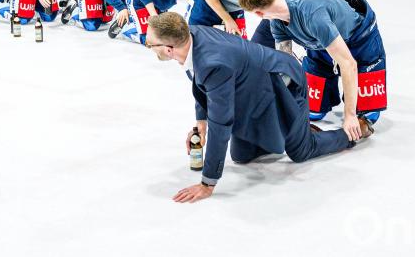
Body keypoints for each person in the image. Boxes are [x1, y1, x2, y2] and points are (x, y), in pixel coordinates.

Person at [144, 12, 373, 203]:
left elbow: (221, 123)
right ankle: (296, 126)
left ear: (169, 48)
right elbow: (200, 82)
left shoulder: (213, 63)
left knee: (301, 151)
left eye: (150, 44)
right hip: (255, 90)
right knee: (242, 155)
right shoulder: (189, 34)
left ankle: (352, 132)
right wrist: (200, 125)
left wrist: (207, 183)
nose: (148, 46)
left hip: (283, 83)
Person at [238, 0, 387, 131]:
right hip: (320, 44)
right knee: (314, 111)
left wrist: (350, 115)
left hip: (360, 41)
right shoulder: (277, 24)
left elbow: (349, 64)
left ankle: (363, 115)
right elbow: (286, 69)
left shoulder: (313, 15)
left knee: (368, 113)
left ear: (258, 13)